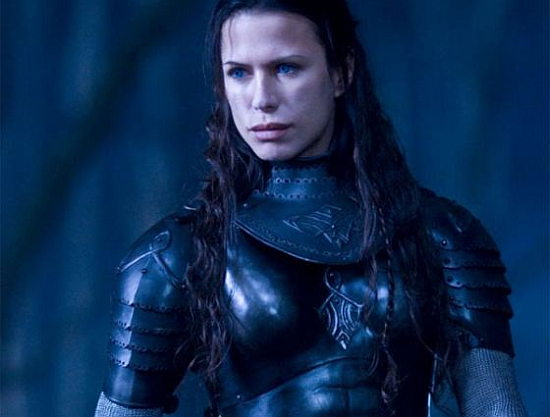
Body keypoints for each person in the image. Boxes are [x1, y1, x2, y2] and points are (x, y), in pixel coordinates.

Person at [94, 1, 529, 416]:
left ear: (341, 72)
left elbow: (495, 407)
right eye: (239, 72)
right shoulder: (175, 254)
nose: (261, 98)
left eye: (286, 68)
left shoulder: (444, 236)